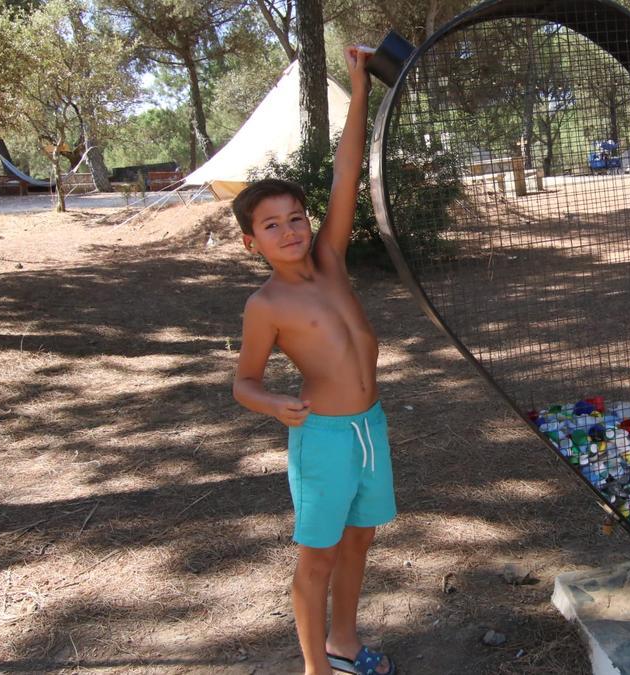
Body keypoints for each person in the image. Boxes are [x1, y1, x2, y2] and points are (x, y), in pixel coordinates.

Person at [231, 46, 396, 675]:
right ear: (252, 242)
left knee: (360, 538)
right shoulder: (266, 303)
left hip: (368, 428)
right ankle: (315, 669)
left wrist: (359, 89)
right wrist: (275, 403)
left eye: (295, 217)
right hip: (323, 438)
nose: (290, 230)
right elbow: (244, 382)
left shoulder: (329, 261)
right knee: (318, 556)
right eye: (271, 226)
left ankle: (343, 642)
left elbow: (345, 173)